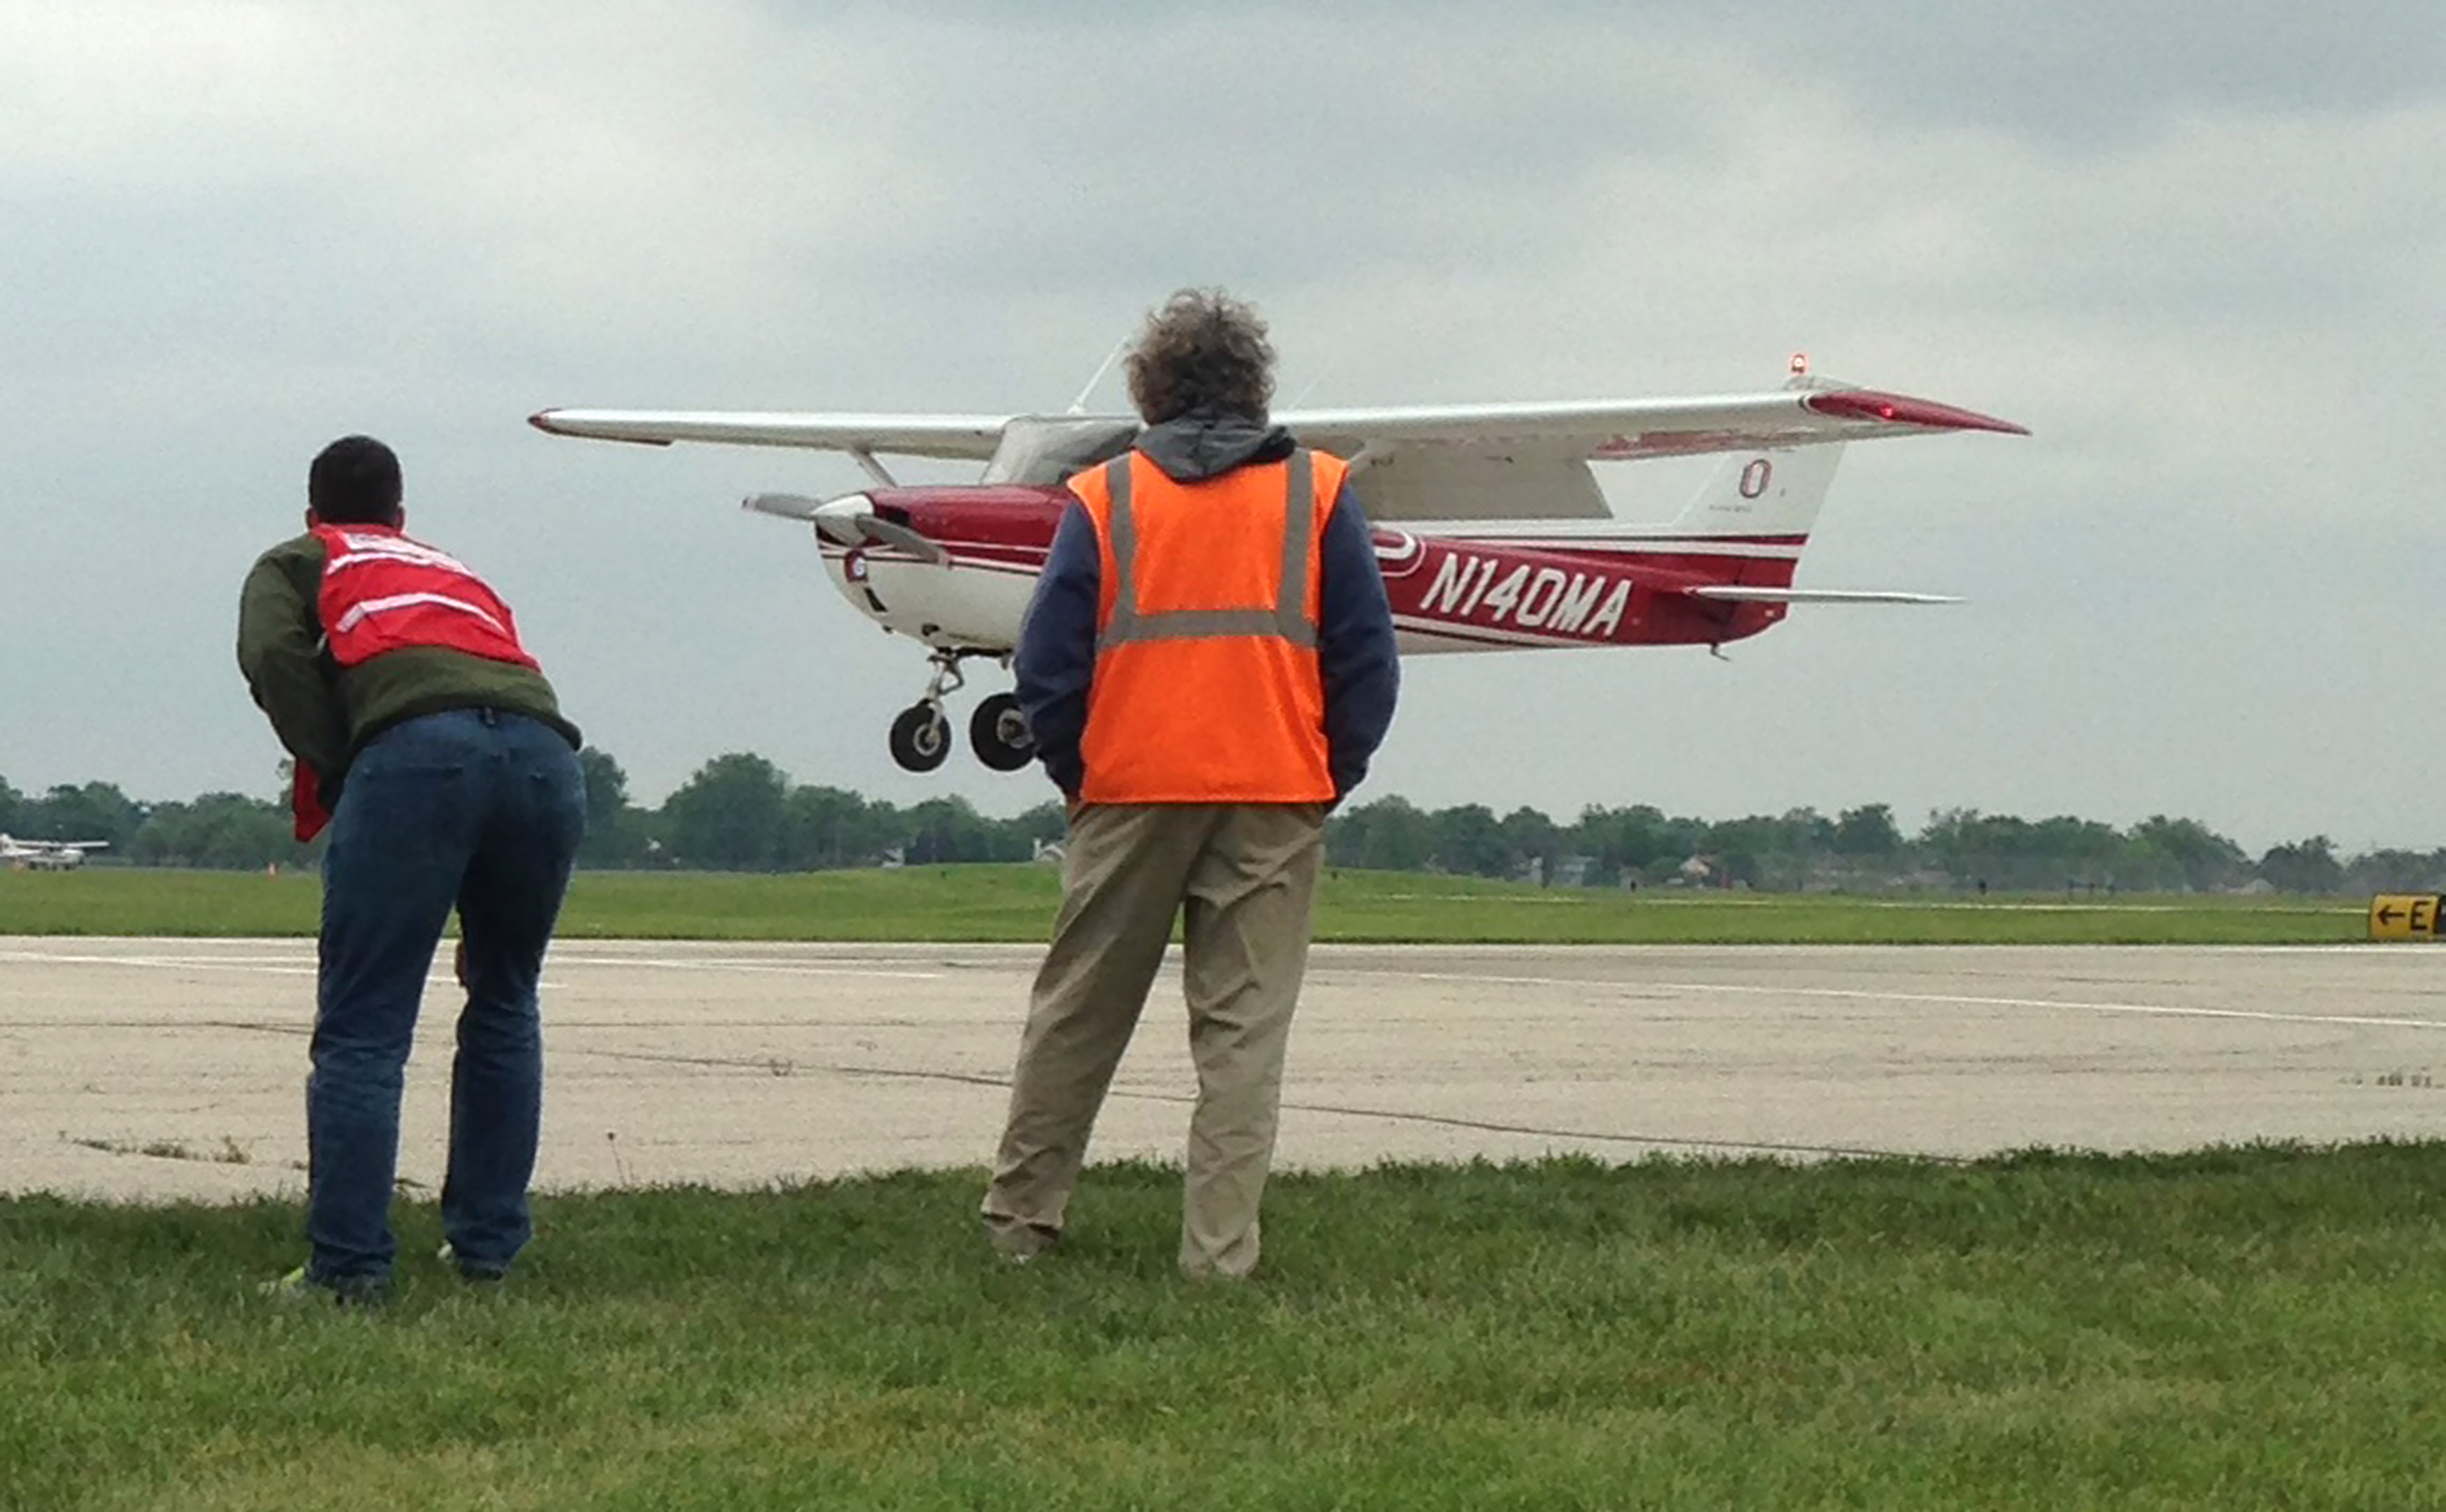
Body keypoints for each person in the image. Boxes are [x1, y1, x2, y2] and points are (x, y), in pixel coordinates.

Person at [980, 289, 1401, 1279]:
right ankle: (1218, 1255)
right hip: (1273, 790)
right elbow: (1365, 661)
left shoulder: (1103, 498)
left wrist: (1078, 773)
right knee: (1242, 1036)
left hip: (1127, 789)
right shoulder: (1323, 493)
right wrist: (1327, 774)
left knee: (1077, 1016)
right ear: (1255, 387)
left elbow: (1045, 662)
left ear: (1149, 387)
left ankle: (1021, 1225)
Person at [237, 435, 586, 1301]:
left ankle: (347, 1268)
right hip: (546, 756)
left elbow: (274, 656)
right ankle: (486, 1249)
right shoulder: (446, 567)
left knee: (365, 1025)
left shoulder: (301, 557)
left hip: (416, 753)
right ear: (401, 515)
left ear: (314, 510)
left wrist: (339, 758)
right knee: (504, 998)